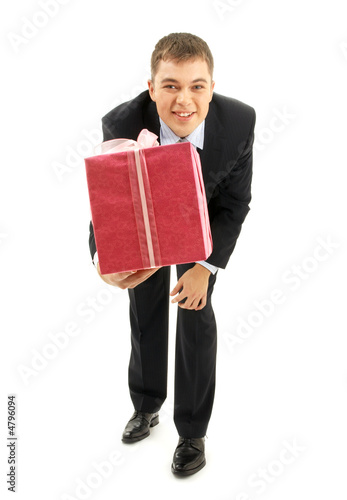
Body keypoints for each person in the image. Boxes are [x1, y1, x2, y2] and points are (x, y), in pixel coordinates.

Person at [89, 32, 256, 476]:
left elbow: (235, 204)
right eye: (170, 85)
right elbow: (108, 203)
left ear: (211, 88)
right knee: (143, 303)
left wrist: (205, 266)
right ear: (151, 87)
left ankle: (192, 432)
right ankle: (146, 404)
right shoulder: (121, 123)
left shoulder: (239, 123)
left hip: (203, 223)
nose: (184, 100)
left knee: (196, 313)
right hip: (149, 217)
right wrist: (104, 261)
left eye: (197, 86)